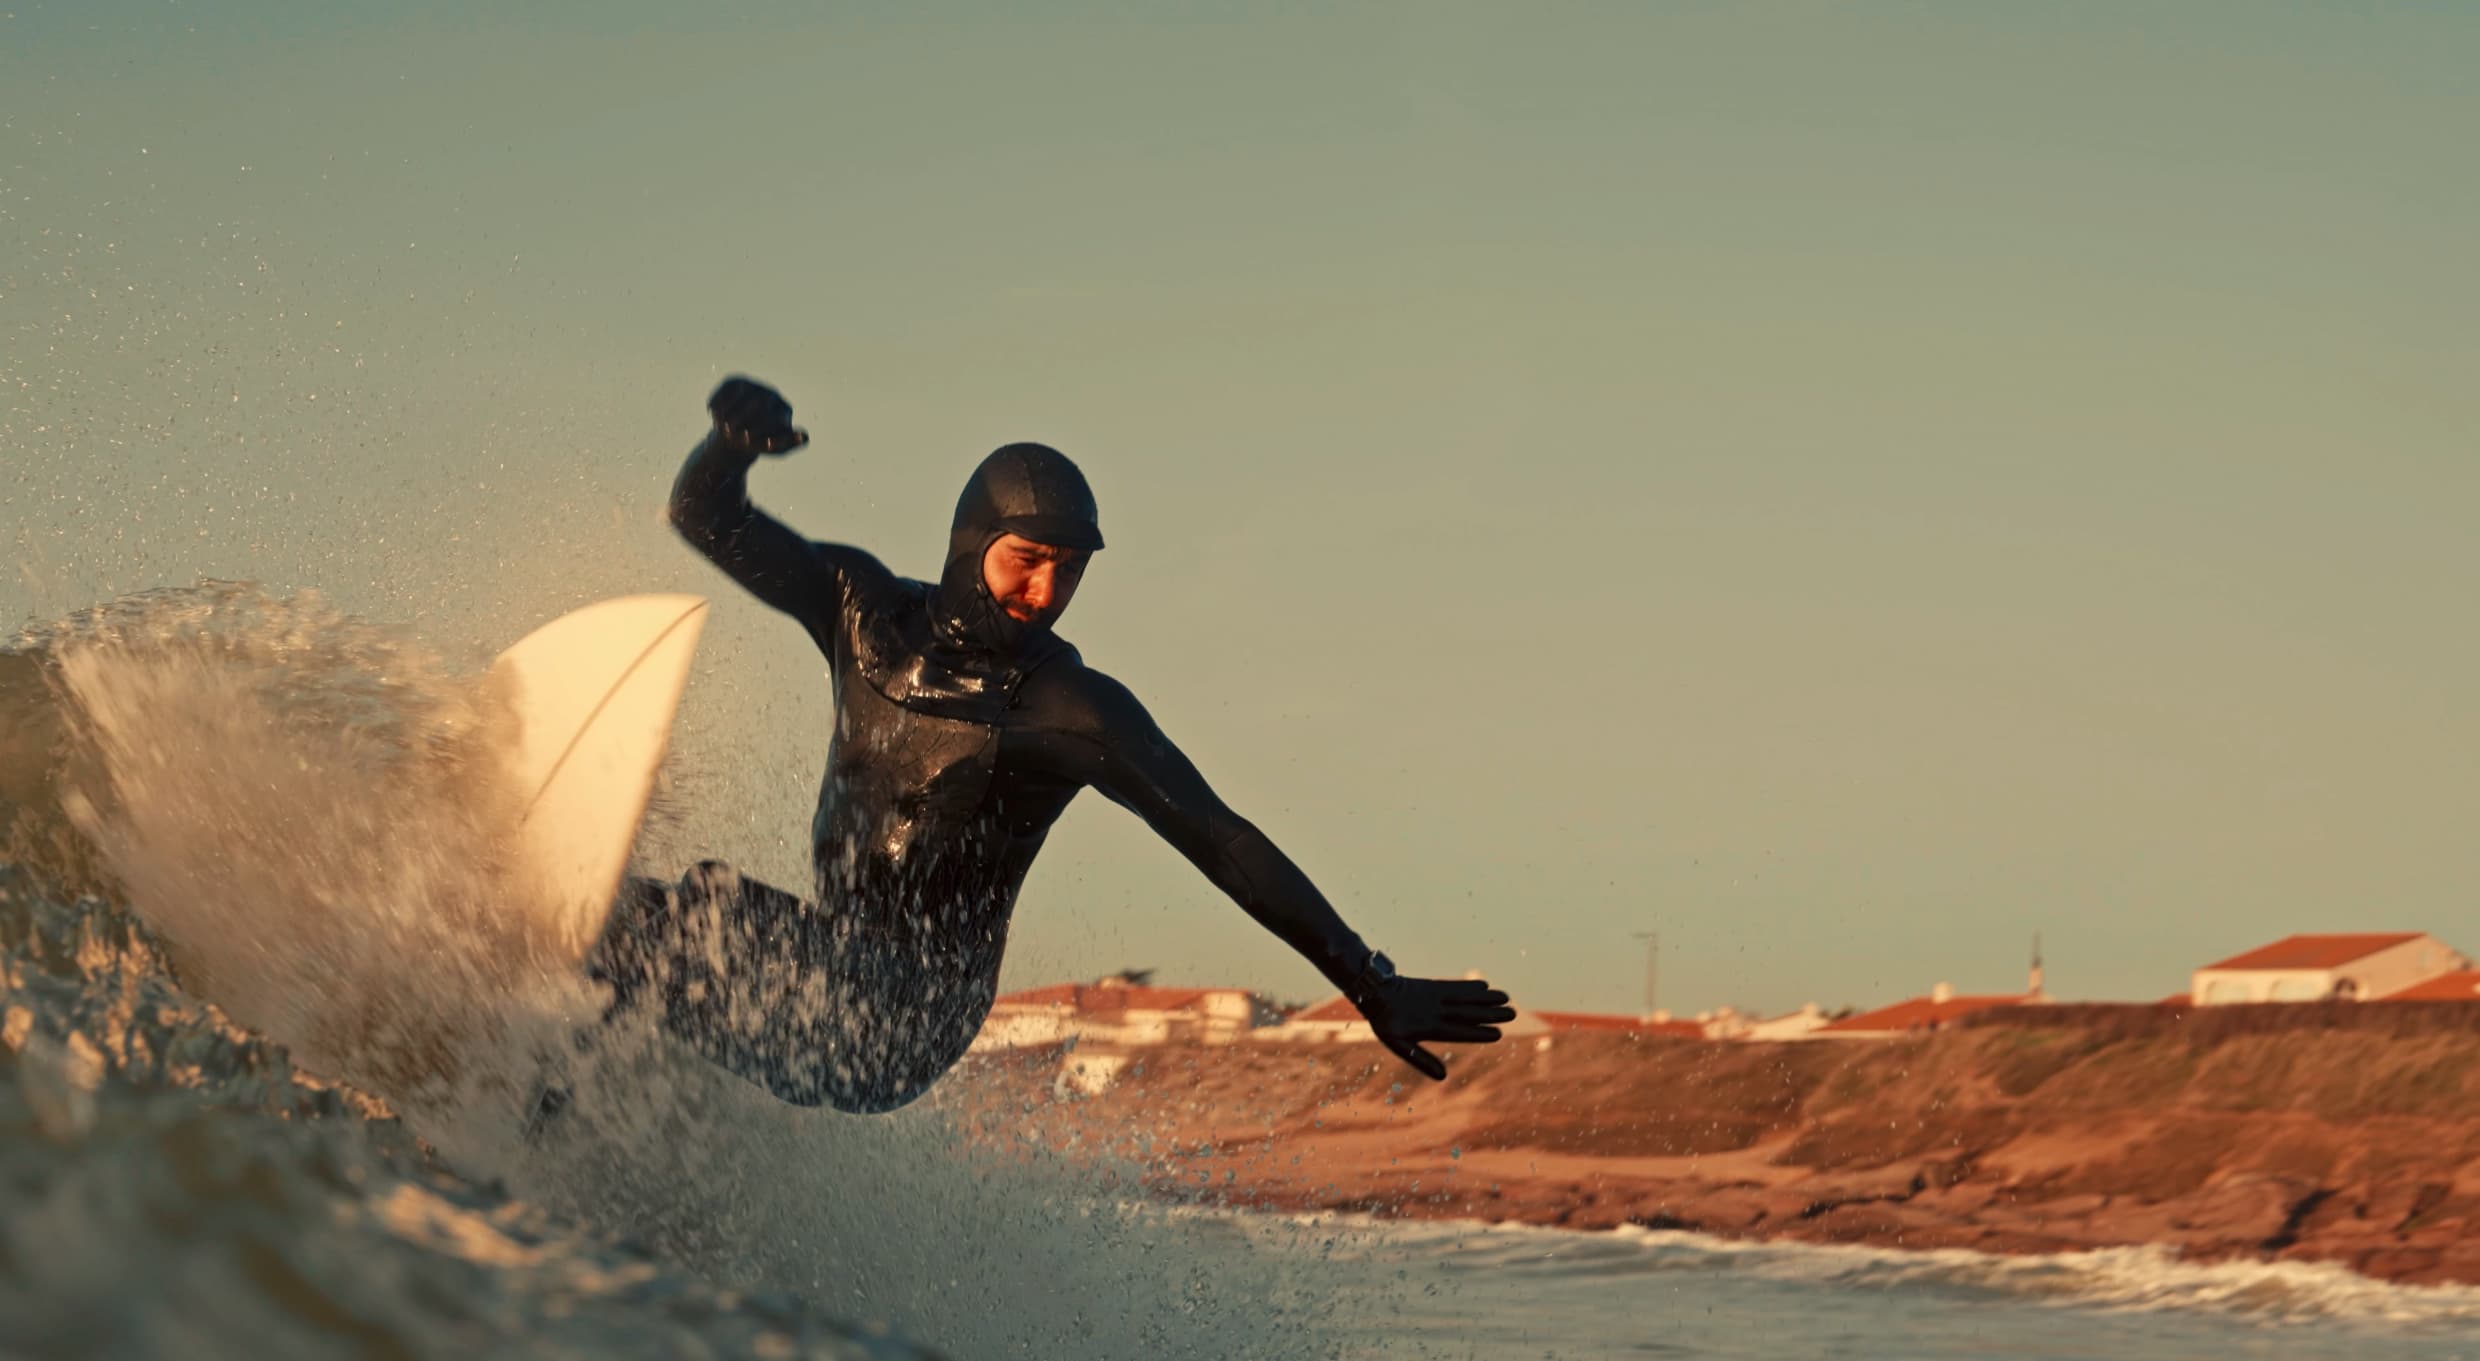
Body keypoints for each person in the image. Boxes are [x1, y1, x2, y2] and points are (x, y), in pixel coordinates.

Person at [587, 376, 1514, 1115]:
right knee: (638, 917)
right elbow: (706, 518)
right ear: (973, 544)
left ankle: (570, 1075)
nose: (1044, 593)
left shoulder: (1068, 708)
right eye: (1025, 561)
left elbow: (1220, 835)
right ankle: (574, 1112)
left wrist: (1368, 980)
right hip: (825, 961)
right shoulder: (861, 610)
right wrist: (728, 449)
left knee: (686, 923)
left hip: (903, 1026)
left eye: (1067, 572)